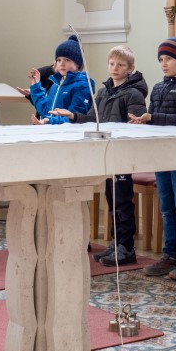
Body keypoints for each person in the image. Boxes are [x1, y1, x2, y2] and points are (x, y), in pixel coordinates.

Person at [49, 45, 148, 266]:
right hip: (106, 154)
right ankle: (115, 243)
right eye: (111, 63)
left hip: (122, 154)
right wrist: (73, 116)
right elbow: (93, 119)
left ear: (130, 68)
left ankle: (126, 247)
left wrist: (137, 122)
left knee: (122, 201)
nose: (115, 68)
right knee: (112, 200)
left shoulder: (134, 94)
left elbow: (138, 122)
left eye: (120, 65)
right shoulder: (103, 93)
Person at [129, 36, 176, 280]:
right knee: (166, 208)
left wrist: (152, 118)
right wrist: (142, 122)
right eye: (160, 59)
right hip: (161, 155)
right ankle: (169, 255)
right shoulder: (158, 88)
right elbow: (155, 119)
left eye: (168, 58)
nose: (163, 63)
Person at [26, 35, 95, 125]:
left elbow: (75, 118)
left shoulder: (82, 86)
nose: (62, 64)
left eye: (67, 60)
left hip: (69, 133)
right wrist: (36, 87)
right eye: (58, 60)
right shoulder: (55, 85)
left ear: (78, 64)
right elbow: (46, 111)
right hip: (51, 130)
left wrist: (49, 121)